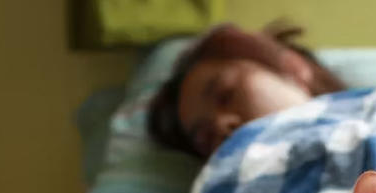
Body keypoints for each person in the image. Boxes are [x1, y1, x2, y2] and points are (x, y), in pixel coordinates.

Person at [147, 22, 347, 157]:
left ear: (293, 68)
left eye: (226, 95)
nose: (221, 125)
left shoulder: (374, 112)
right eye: (205, 138)